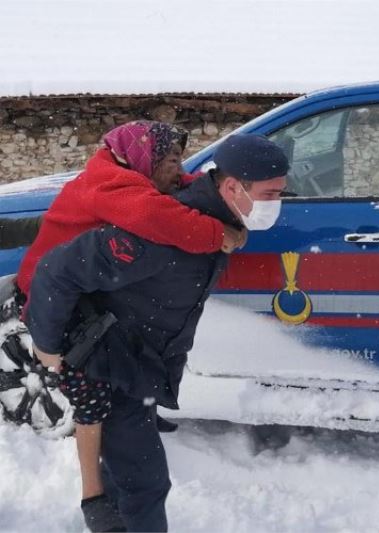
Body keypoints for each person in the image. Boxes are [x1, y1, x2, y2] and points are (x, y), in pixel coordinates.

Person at [27, 133, 288, 532]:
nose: (276, 204)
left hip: (143, 366)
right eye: (270, 194)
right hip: (112, 369)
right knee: (146, 484)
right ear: (233, 187)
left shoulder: (215, 218)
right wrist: (46, 347)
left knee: (125, 476)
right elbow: (55, 271)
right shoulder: (163, 232)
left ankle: (112, 521)